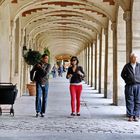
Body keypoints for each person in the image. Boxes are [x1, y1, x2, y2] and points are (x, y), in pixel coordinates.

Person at [121, 52, 140, 122]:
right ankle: (130, 116)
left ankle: (136, 115)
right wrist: (127, 80)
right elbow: (122, 74)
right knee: (129, 101)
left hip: (138, 85)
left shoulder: (139, 65)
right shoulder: (127, 66)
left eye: (136, 57)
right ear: (131, 58)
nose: (135, 58)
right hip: (129, 86)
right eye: (133, 57)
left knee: (138, 101)